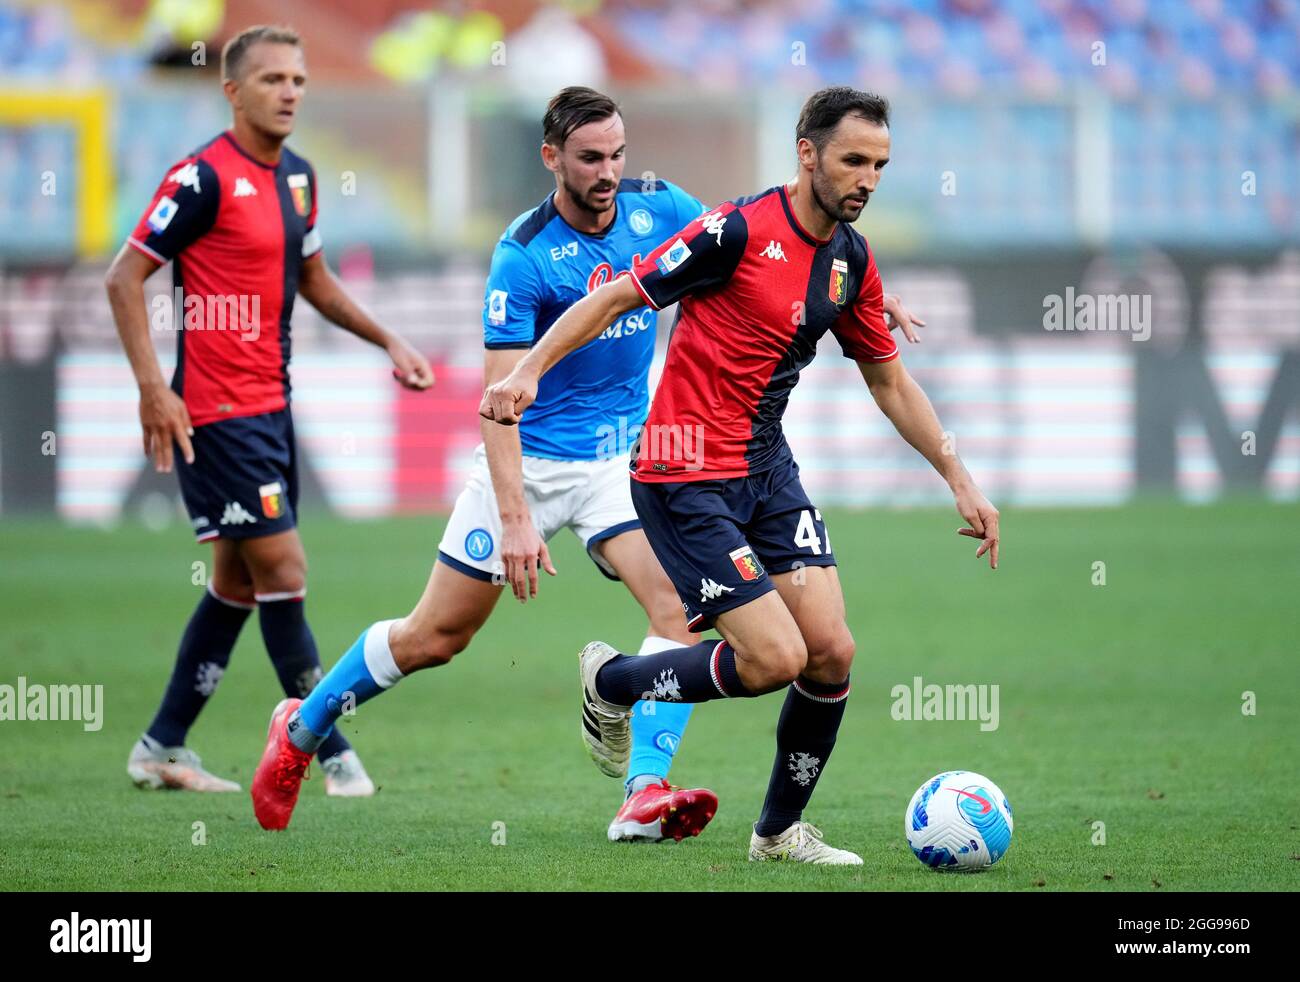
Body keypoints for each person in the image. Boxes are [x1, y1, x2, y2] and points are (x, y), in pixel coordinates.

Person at [480, 86, 998, 864]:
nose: (867, 178)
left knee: (831, 653)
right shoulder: (736, 231)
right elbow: (623, 292)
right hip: (682, 472)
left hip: (766, 470)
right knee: (773, 661)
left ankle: (778, 833)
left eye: (880, 165)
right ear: (807, 154)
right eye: (853, 160)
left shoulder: (850, 260)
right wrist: (527, 371)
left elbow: (889, 382)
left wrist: (958, 475)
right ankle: (616, 683)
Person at [104, 24, 432, 796]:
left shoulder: (300, 180)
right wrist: (155, 388)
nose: (289, 92)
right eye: (273, 79)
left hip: (273, 407)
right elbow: (125, 278)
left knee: (238, 583)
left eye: (299, 80)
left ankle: (160, 746)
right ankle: (332, 753)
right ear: (233, 92)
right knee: (284, 568)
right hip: (216, 414)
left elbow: (313, 279)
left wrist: (387, 338)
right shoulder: (201, 179)